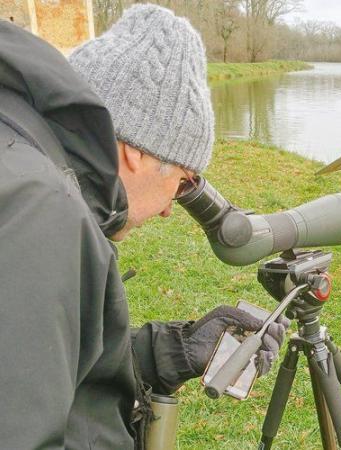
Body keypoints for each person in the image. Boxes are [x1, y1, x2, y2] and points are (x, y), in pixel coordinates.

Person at [0, 4, 286, 449]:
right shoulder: (40, 212)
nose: (173, 208)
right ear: (139, 152)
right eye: (184, 181)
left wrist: (171, 351)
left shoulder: (30, 171)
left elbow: (45, 368)